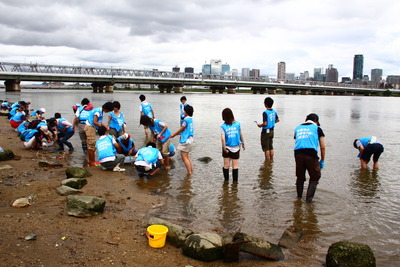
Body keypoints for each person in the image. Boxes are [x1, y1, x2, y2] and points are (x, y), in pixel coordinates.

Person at [294, 113, 326, 202]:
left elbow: (298, 140)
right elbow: (322, 147)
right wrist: (322, 161)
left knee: (300, 176)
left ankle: (299, 198)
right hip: (311, 154)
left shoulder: (297, 128)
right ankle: (308, 201)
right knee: (315, 177)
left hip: (298, 153)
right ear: (316, 121)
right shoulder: (317, 128)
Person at [84, 102, 114, 166]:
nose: (108, 112)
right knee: (92, 145)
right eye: (108, 110)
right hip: (90, 127)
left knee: (91, 145)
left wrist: (105, 126)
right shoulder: (98, 112)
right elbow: (95, 122)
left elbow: (98, 122)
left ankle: (91, 160)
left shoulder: (100, 110)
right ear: (106, 108)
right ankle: (92, 162)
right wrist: (102, 127)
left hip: (90, 127)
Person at [220, 108, 245, 182]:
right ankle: (235, 183)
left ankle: (226, 181)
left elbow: (222, 139)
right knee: (235, 166)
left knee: (226, 165)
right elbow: (241, 134)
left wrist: (224, 148)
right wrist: (243, 143)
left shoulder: (223, 126)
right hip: (236, 147)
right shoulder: (237, 124)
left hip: (227, 147)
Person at [171, 105, 194, 175]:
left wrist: (174, 134)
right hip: (190, 139)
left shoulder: (185, 120)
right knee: (187, 156)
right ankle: (191, 169)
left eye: (184, 111)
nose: (183, 112)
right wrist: (176, 134)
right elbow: (185, 131)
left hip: (185, 141)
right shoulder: (191, 120)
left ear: (186, 112)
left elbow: (182, 129)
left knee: (184, 157)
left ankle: (189, 172)